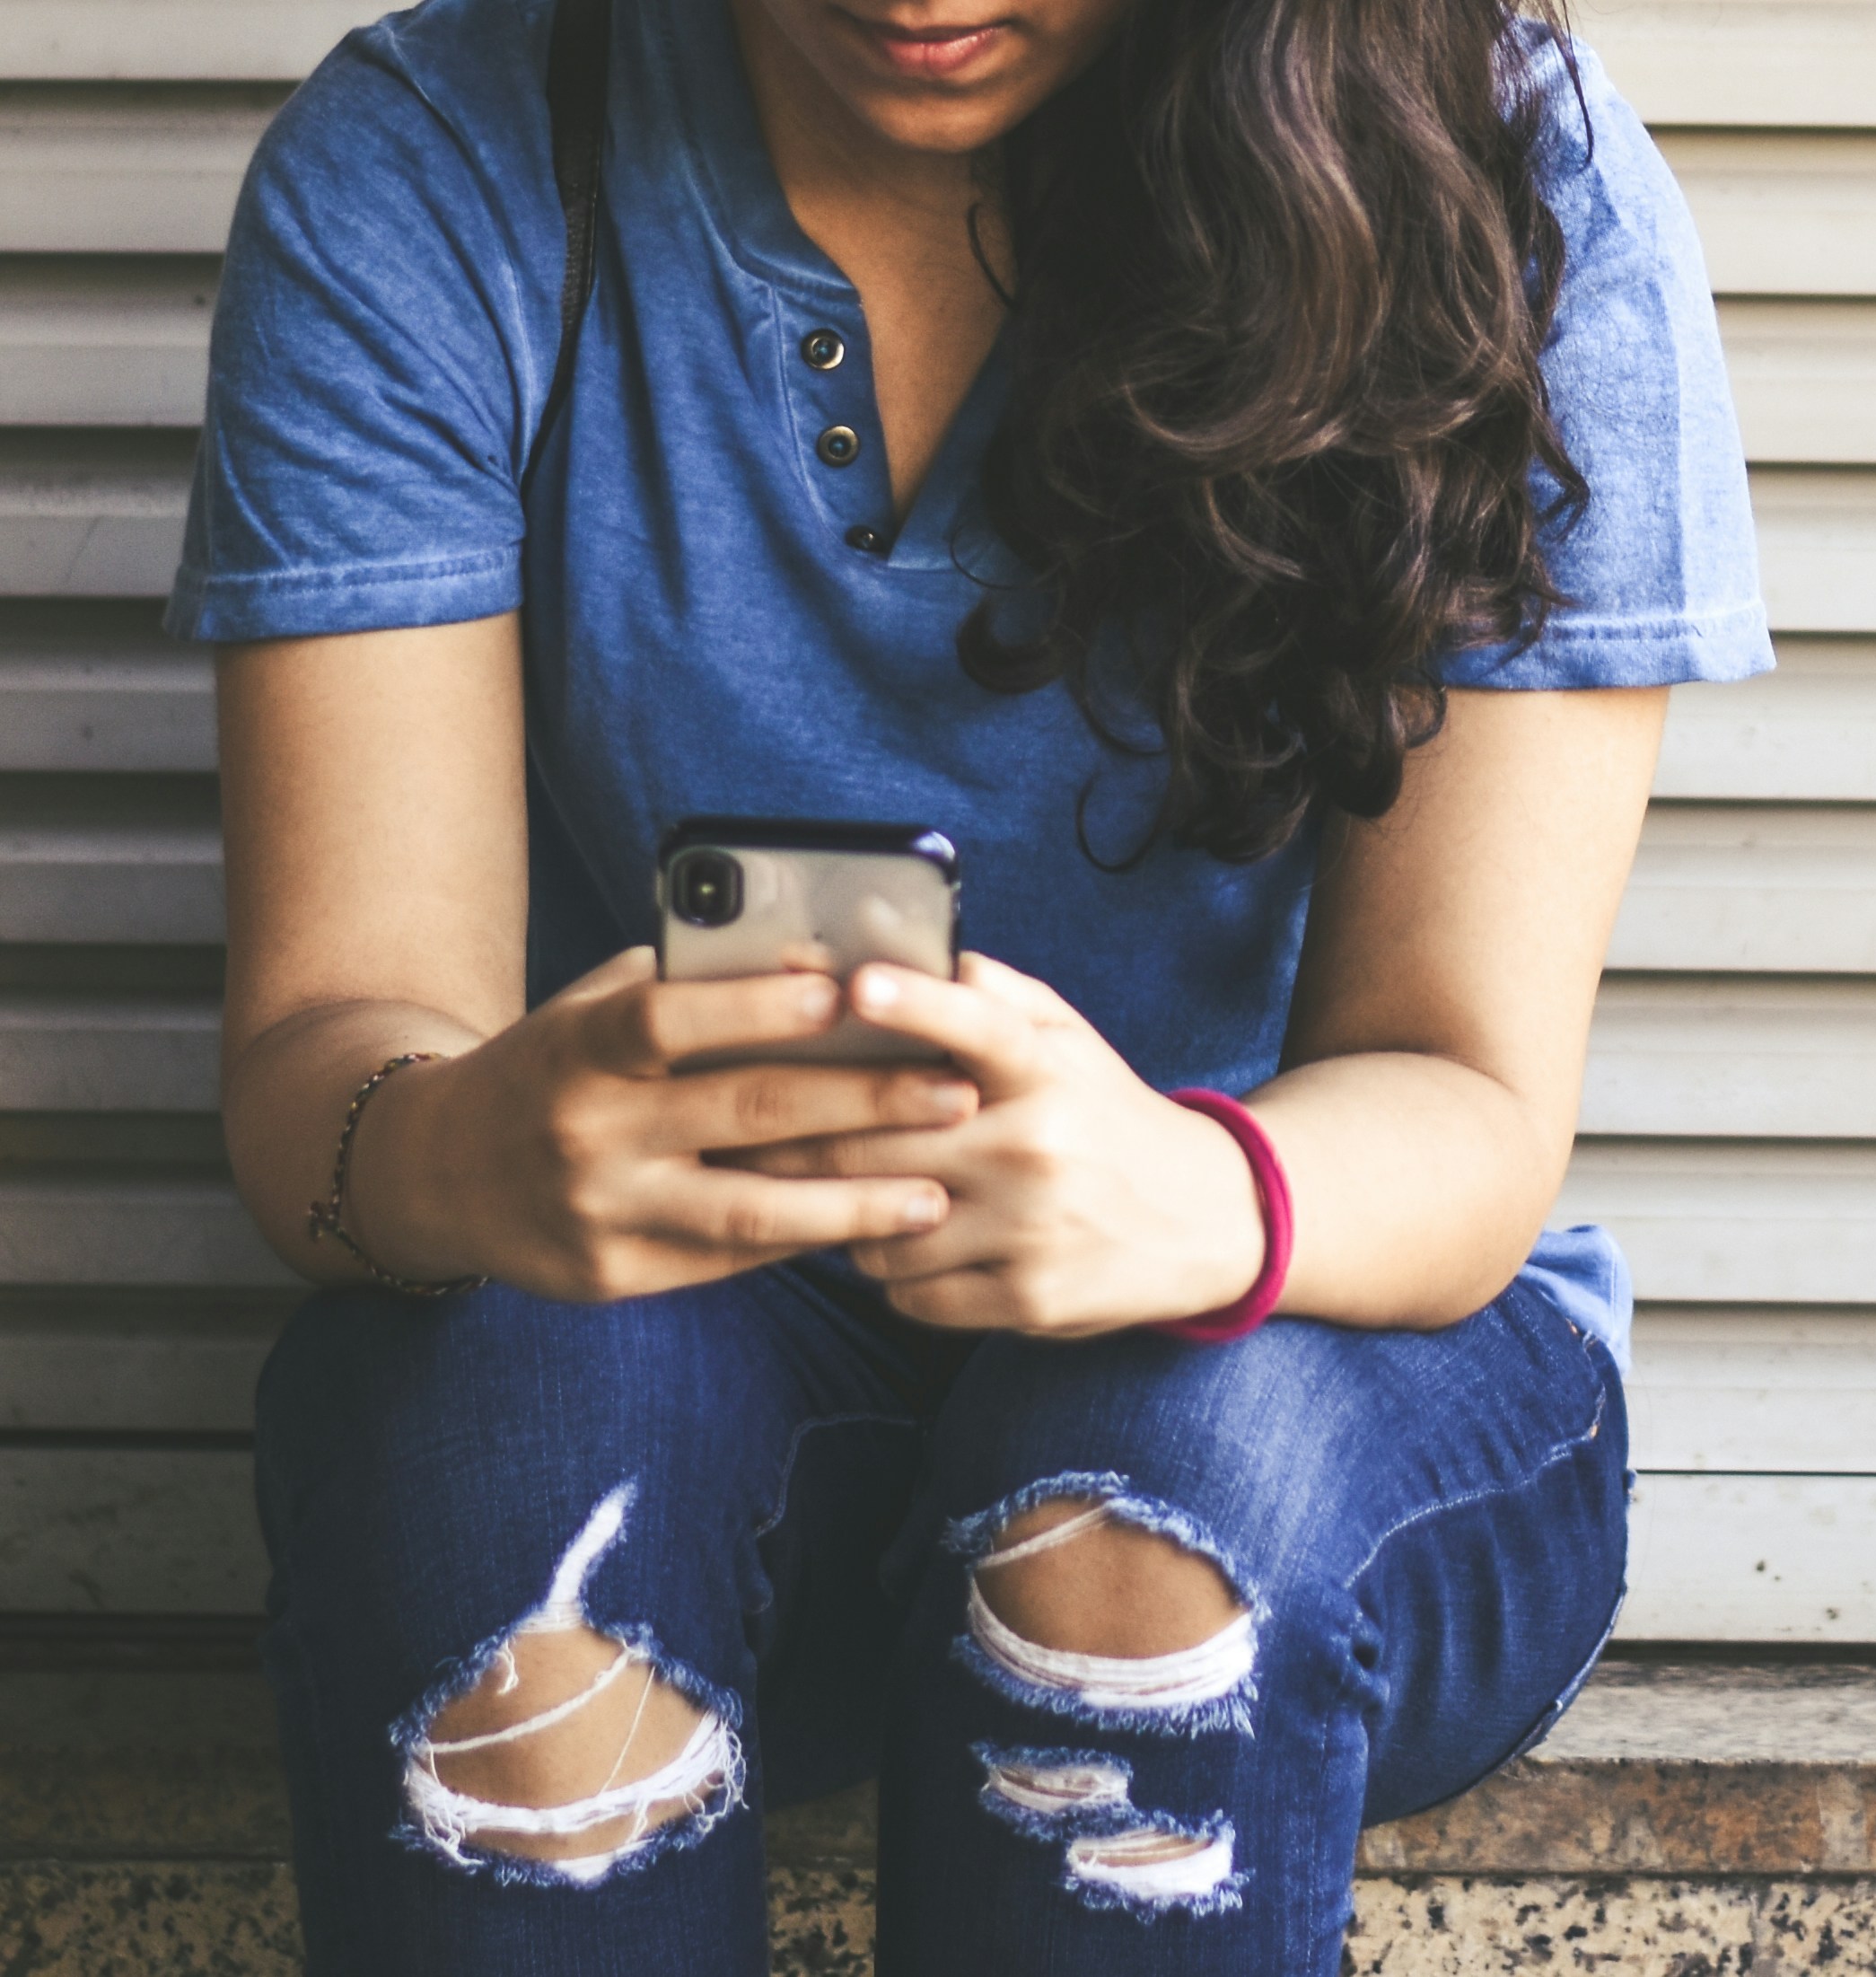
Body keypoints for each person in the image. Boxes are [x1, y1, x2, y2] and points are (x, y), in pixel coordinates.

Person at [171, 0, 1767, 1958]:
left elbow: (1466, 1097)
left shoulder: (1498, 172)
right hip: (695, 1381)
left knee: (1127, 1511)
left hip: (1330, 1352)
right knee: (505, 1434)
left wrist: (1184, 1196)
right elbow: (329, 1056)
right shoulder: (442, 156)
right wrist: (461, 1148)